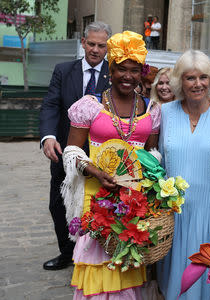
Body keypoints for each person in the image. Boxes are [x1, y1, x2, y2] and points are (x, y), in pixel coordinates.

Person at [62, 30, 159, 299]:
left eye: (134, 70)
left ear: (142, 72)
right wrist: (95, 171)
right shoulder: (90, 106)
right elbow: (71, 151)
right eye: (121, 69)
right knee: (97, 267)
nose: (128, 76)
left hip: (135, 200)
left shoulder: (152, 111)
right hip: (96, 197)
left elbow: (153, 156)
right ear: (111, 70)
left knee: (127, 268)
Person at [157, 49, 210, 300]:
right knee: (174, 278)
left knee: (208, 278)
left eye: (203, 77)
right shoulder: (167, 111)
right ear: (179, 81)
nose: (198, 84)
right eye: (190, 78)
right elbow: (160, 161)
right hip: (174, 214)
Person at [39, 21, 112, 271]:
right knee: (58, 202)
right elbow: (50, 104)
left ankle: (95, 254)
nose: (95, 49)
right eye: (91, 44)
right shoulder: (63, 70)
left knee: (95, 204)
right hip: (64, 151)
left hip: (101, 155)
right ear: (83, 43)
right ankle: (67, 252)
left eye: (101, 45)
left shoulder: (115, 75)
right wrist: (48, 136)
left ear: (107, 47)